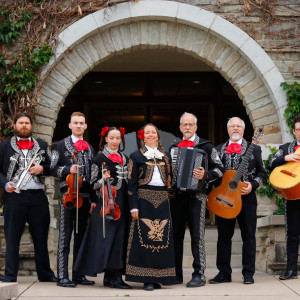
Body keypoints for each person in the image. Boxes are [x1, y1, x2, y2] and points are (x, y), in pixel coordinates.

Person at [209, 117, 267, 285]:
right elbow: (213, 173)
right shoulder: (218, 150)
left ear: (243, 129)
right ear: (228, 130)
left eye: (238, 126)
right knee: (223, 236)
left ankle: (248, 273)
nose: (235, 129)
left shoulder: (253, 148)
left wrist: (253, 184)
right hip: (224, 199)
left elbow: (262, 173)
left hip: (246, 198)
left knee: (248, 235)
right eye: (232, 126)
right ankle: (223, 273)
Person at [0, 112, 56, 283]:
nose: (24, 125)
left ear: (31, 126)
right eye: (21, 123)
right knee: (12, 237)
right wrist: (5, 184)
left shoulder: (42, 145)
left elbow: (52, 167)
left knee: (40, 237)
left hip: (37, 197)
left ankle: (45, 274)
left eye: (27, 123)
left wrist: (43, 169)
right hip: (14, 197)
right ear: (15, 126)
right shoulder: (3, 146)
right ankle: (10, 275)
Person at [170, 112, 224, 287]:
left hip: (197, 197)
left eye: (190, 124)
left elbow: (220, 169)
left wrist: (205, 175)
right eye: (184, 125)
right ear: (180, 128)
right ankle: (176, 274)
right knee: (175, 237)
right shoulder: (173, 147)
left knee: (197, 237)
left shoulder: (207, 147)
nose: (187, 128)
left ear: (196, 127)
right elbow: (168, 171)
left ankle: (199, 274)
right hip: (176, 197)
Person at [74, 126, 131, 289]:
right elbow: (92, 184)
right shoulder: (98, 159)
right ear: (105, 139)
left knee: (120, 240)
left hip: (123, 203)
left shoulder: (125, 158)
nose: (115, 141)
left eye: (117, 138)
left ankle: (112, 277)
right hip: (107, 203)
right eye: (111, 138)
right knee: (109, 240)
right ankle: (114, 277)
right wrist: (103, 179)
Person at [125, 124, 176, 291]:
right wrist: (133, 207)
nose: (151, 135)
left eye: (153, 132)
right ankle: (147, 278)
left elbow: (171, 181)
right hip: (143, 200)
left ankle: (159, 276)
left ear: (157, 135)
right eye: (147, 133)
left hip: (162, 200)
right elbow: (131, 184)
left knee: (161, 239)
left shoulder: (165, 156)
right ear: (143, 136)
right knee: (145, 239)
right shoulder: (135, 156)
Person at [50, 112, 96, 287]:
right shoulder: (59, 146)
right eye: (75, 123)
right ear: (70, 125)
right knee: (65, 236)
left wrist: (93, 198)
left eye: (81, 123)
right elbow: (53, 169)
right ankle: (63, 276)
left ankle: (79, 274)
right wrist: (69, 169)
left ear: (85, 126)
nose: (78, 125)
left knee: (81, 237)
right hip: (68, 196)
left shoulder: (90, 148)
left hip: (84, 196)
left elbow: (92, 176)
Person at [268, 115, 300, 280]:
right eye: (299, 129)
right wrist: (285, 158)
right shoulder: (286, 147)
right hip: (293, 197)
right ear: (294, 131)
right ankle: (291, 269)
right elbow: (270, 162)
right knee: (292, 234)